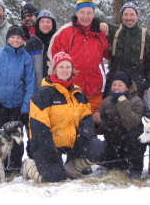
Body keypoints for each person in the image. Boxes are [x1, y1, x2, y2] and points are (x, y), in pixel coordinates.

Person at [22, 51, 106, 183]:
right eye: (61, 67)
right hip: (47, 145)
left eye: (68, 67)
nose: (65, 70)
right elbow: (39, 128)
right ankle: (28, 165)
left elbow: (86, 117)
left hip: (72, 142)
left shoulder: (77, 92)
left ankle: (70, 169)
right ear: (54, 69)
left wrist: (83, 136)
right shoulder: (43, 94)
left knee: (99, 149)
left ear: (72, 70)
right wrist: (50, 151)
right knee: (54, 179)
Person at [0, 25, 36, 173]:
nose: (15, 40)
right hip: (0, 104)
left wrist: (25, 107)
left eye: (18, 37)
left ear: (22, 40)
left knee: (16, 140)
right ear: (7, 39)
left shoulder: (26, 58)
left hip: (17, 106)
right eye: (12, 37)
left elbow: (29, 83)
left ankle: (14, 167)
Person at [48, 0, 109, 113]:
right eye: (82, 12)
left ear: (93, 14)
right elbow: (53, 60)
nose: (85, 16)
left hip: (95, 88)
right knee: (72, 123)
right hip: (72, 87)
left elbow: (109, 54)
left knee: (92, 124)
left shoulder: (100, 34)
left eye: (89, 13)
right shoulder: (65, 32)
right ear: (77, 13)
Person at [93, 71, 146, 179]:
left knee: (133, 139)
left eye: (120, 85)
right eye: (114, 84)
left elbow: (131, 123)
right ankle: (112, 166)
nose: (116, 87)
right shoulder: (106, 101)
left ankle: (135, 170)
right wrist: (98, 122)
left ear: (127, 88)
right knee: (106, 155)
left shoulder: (136, 101)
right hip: (113, 141)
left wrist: (122, 103)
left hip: (130, 144)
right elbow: (101, 129)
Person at [104, 0, 150, 99]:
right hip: (115, 82)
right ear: (121, 16)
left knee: (134, 112)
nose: (129, 18)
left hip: (137, 84)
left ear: (137, 16)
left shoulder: (145, 35)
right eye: (126, 14)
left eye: (132, 14)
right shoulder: (115, 31)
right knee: (109, 112)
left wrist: (149, 86)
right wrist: (102, 22)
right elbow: (95, 21)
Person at [25, 9, 57, 90]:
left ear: (53, 24)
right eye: (42, 22)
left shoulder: (58, 42)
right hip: (35, 90)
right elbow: (25, 70)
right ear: (38, 24)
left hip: (55, 90)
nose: (45, 24)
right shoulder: (31, 44)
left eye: (48, 22)